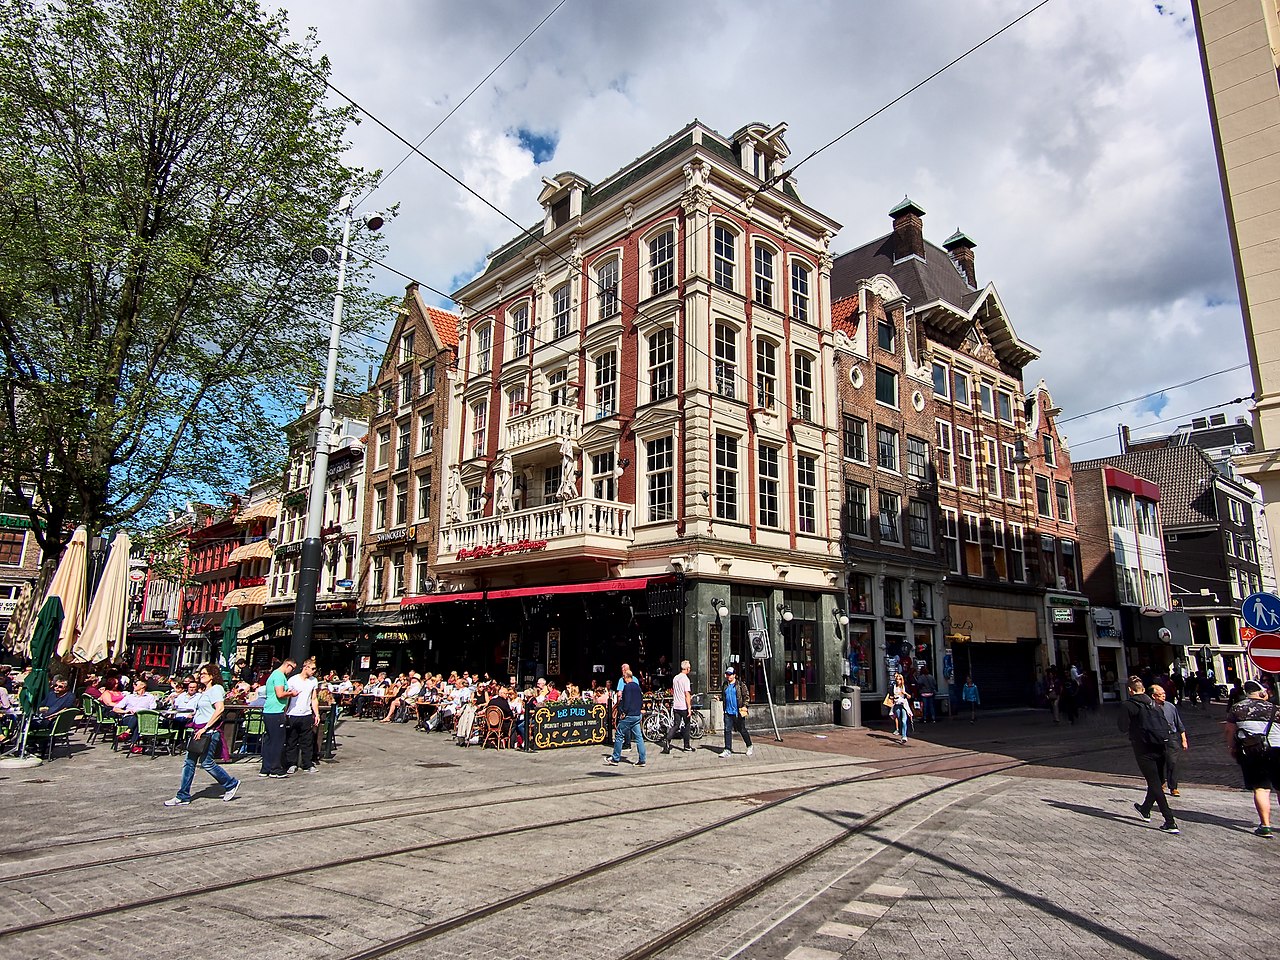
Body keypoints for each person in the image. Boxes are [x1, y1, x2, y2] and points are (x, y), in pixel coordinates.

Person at [164, 663, 239, 806]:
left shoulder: (216, 689)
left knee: (207, 763)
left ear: (212, 675)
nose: (201, 675)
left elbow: (220, 709)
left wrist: (205, 728)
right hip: (198, 729)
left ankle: (231, 783)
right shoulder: (205, 691)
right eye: (201, 673)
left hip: (208, 732)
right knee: (189, 762)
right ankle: (183, 795)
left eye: (204, 673)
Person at [1119, 676, 1179, 834]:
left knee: (1154, 783)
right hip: (1161, 744)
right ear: (1144, 690)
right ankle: (1145, 809)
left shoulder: (1128, 705)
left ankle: (1169, 820)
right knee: (1157, 780)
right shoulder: (1155, 704)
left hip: (1143, 747)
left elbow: (1123, 727)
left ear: (1130, 690)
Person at [1225, 679, 1280, 837]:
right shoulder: (1275, 708)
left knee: (1261, 788)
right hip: (1277, 750)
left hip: (1252, 752)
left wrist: (1232, 747)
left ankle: (1265, 825)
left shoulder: (1237, 708)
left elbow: (1229, 731)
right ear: (1262, 693)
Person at [259, 657, 297, 778]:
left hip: (269, 710)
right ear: (288, 665)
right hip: (275, 711)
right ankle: (275, 768)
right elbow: (280, 694)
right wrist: (291, 693)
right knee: (278, 741)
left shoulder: (273, 675)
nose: (291, 672)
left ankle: (265, 768)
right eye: (292, 668)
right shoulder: (280, 676)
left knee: (269, 741)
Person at [283, 659, 320, 774]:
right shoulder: (293, 680)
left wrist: (317, 713)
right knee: (291, 740)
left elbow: (314, 698)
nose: (314, 671)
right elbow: (287, 698)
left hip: (306, 713)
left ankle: (307, 763)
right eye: (312, 668)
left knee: (307, 740)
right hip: (293, 713)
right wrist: (284, 713)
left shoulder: (313, 681)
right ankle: (291, 763)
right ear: (305, 667)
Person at [1150, 684, 1187, 797]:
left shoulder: (1170, 706)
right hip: (1157, 738)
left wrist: (1183, 739)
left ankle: (1173, 787)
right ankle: (1161, 782)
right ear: (1153, 696)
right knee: (1159, 762)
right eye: (1160, 695)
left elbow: (1179, 724)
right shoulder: (1149, 708)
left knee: (1173, 762)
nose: (1163, 696)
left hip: (1172, 737)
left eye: (1164, 694)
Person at [605, 663, 646, 767]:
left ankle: (615, 758)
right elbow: (641, 700)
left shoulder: (627, 687)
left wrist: (623, 712)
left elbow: (626, 702)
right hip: (637, 715)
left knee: (619, 734)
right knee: (639, 737)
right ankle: (642, 760)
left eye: (624, 678)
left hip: (629, 715)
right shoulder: (637, 686)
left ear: (626, 677)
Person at [113, 678, 158, 750]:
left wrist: (143, 713)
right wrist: (126, 711)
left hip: (144, 719)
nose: (133, 686)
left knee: (138, 718)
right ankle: (133, 744)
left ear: (143, 686)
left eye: (136, 684)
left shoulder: (150, 697)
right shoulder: (129, 697)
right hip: (128, 718)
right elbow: (115, 708)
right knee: (137, 719)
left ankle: (128, 733)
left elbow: (153, 709)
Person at [718, 666, 753, 758]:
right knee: (727, 730)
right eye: (727, 674)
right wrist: (719, 698)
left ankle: (749, 745)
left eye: (730, 674)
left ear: (734, 675)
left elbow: (746, 697)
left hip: (738, 712)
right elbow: (725, 696)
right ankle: (727, 749)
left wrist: (745, 706)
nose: (728, 676)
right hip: (727, 712)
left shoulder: (740, 685)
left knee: (742, 730)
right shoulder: (725, 685)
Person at [663, 659, 693, 755]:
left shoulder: (676, 678)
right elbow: (687, 694)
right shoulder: (686, 679)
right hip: (683, 706)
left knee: (676, 725)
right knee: (687, 724)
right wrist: (689, 707)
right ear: (687, 669)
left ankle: (667, 739)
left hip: (676, 705)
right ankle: (687, 745)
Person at [891, 672, 912, 744]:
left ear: (902, 680)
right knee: (899, 719)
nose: (898, 681)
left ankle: (904, 736)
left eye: (899, 679)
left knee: (904, 720)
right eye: (897, 679)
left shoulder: (905, 687)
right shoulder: (893, 687)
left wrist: (904, 693)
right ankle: (900, 730)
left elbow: (910, 696)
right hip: (897, 704)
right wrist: (893, 697)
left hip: (903, 705)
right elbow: (890, 696)